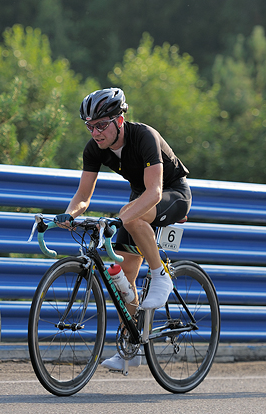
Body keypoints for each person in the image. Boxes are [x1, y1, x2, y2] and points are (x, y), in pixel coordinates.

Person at [58, 87, 191, 371]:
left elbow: (155, 192)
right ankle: (132, 346)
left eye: (101, 125)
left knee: (129, 216)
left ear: (119, 120)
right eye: (90, 126)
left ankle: (161, 276)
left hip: (172, 194)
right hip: (140, 199)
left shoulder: (144, 136)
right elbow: (83, 197)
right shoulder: (94, 149)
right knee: (123, 278)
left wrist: (125, 215)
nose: (95, 133)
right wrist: (69, 215)